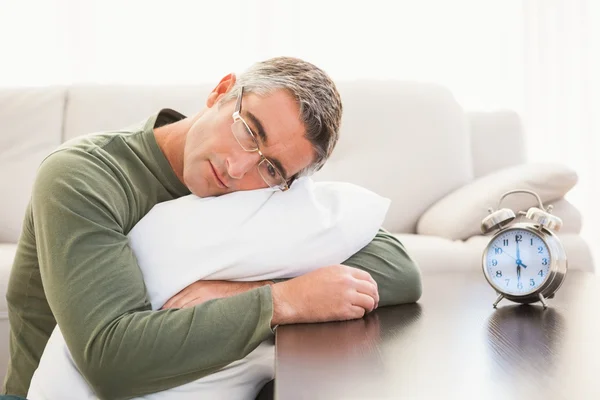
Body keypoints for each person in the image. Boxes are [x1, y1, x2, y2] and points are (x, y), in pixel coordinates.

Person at [2, 56, 422, 399]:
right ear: (222, 91)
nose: (239, 168)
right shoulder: (83, 176)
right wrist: (282, 301)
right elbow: (112, 362)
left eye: (271, 167)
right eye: (248, 130)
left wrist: (236, 291)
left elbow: (397, 268)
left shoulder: (267, 189)